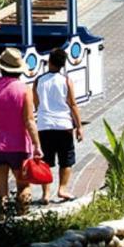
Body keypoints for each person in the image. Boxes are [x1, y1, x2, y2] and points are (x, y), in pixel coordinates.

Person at [0, 48, 43, 218]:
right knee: (23, 187)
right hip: (19, 146)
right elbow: (29, 121)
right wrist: (37, 145)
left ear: (0, 68)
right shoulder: (24, 89)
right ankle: (22, 223)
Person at [32, 48, 83, 204]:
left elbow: (36, 102)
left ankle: (46, 193)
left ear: (49, 61)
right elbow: (73, 104)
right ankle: (62, 189)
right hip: (63, 125)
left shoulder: (39, 80)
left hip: (44, 125)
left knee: (45, 160)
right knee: (66, 159)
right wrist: (79, 126)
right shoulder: (66, 80)